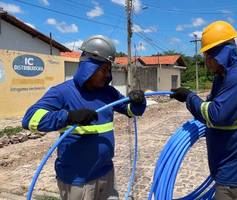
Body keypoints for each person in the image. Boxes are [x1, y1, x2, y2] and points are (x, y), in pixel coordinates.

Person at [22, 35, 146, 200]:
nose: (107, 74)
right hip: (77, 181)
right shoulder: (63, 92)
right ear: (89, 67)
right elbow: (30, 119)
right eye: (103, 70)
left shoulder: (108, 93)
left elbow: (131, 110)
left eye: (109, 70)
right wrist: (68, 117)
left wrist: (139, 101)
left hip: (106, 173)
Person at [170, 21, 237, 200]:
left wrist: (190, 97)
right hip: (228, 167)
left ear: (223, 53)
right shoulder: (222, 77)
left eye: (209, 55)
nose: (206, 61)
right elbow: (210, 105)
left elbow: (215, 114)